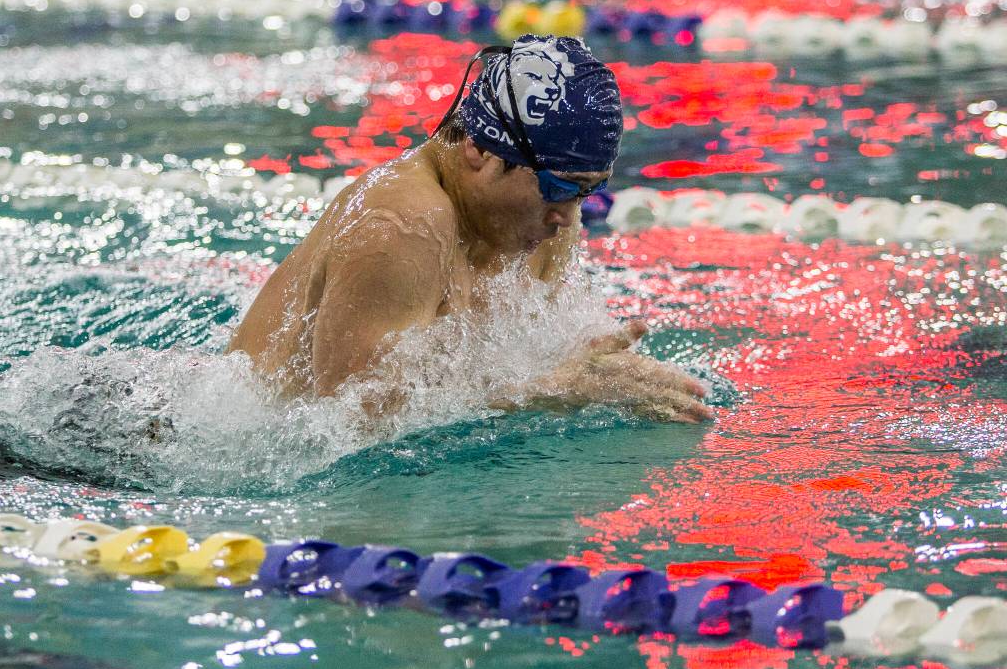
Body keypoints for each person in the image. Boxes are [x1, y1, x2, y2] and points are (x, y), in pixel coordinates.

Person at [227, 35, 712, 423]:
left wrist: (607, 377)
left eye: (586, 190)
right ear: (479, 149)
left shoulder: (549, 220)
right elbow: (348, 420)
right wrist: (545, 391)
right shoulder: (398, 226)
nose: (568, 215)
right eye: (556, 187)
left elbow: (536, 355)